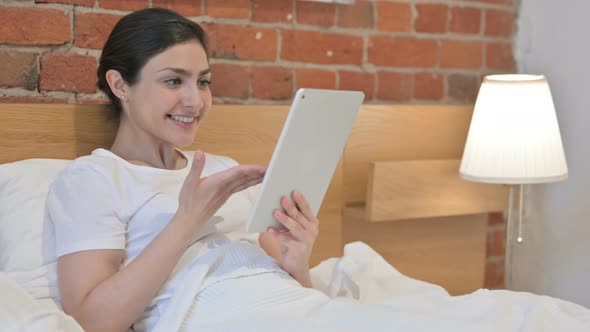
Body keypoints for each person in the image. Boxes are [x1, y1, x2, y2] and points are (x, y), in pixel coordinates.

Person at [46, 8, 320, 332]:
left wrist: (298, 263)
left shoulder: (226, 170)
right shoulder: (94, 179)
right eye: (174, 81)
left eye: (203, 82)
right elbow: (92, 321)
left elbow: (294, 293)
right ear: (120, 85)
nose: (195, 101)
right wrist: (188, 219)